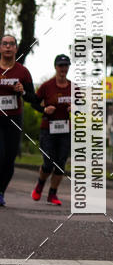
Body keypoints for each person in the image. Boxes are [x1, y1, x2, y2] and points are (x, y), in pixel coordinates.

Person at [0, 33, 39, 206]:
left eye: (11, 44)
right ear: (0, 48)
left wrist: (22, 91)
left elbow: (32, 97)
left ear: (15, 48)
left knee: (9, 158)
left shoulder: (22, 72)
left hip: (14, 118)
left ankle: (1, 192)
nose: (8, 47)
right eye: (4, 44)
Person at [32, 54, 72, 206]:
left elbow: (83, 106)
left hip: (65, 131)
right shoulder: (47, 86)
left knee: (61, 164)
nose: (63, 69)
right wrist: (44, 109)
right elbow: (34, 103)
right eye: (60, 66)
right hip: (48, 129)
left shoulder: (73, 87)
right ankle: (40, 184)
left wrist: (76, 108)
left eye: (66, 66)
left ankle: (52, 194)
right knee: (48, 163)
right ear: (55, 67)